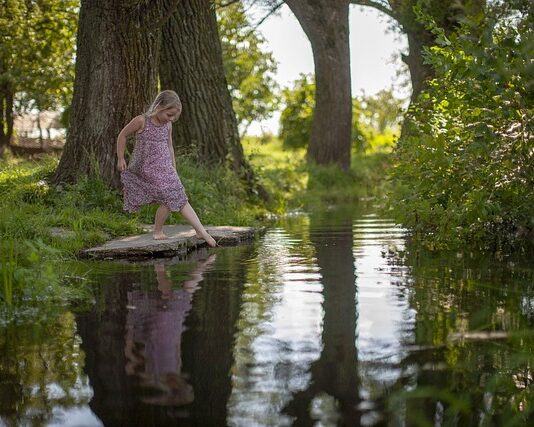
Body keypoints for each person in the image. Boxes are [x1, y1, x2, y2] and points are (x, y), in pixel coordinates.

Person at [117, 90, 216, 246]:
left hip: (165, 167)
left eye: (174, 116)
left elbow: (169, 146)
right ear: (159, 106)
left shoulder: (168, 125)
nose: (171, 119)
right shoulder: (142, 121)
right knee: (170, 195)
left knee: (178, 196)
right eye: (169, 114)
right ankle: (162, 231)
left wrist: (173, 167)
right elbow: (122, 135)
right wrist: (121, 157)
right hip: (147, 167)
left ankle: (199, 231)